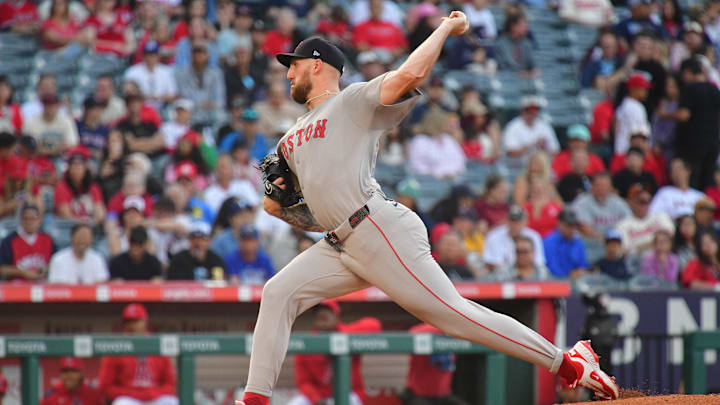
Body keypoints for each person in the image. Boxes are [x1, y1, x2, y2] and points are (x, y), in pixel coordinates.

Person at [236, 25, 619, 405]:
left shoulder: (351, 102)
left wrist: (446, 27)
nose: (288, 73)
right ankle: (254, 400)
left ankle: (567, 363)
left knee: (455, 316)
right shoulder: (287, 140)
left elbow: (411, 74)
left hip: (375, 227)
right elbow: (282, 208)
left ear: (317, 66)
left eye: (295, 65)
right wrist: (281, 201)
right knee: (277, 293)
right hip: (339, 242)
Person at [290, 300, 381, 405]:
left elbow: (375, 325)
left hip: (349, 393)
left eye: (326, 318)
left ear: (336, 318)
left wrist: (339, 338)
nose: (322, 323)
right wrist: (317, 400)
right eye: (319, 318)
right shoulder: (308, 343)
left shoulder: (347, 333)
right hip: (320, 396)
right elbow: (304, 382)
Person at [99, 303, 179, 405]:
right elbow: (105, 387)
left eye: (136, 321)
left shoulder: (157, 343)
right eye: (128, 322)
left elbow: (170, 383)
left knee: (172, 402)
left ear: (145, 321)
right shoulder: (117, 347)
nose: (132, 325)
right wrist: (135, 394)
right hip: (129, 399)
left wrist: (154, 393)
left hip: (155, 397)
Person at [672, 57, 720, 190]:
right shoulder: (714, 90)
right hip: (713, 143)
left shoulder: (691, 89)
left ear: (687, 73)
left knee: (692, 180)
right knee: (707, 182)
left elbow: (683, 115)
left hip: (693, 143)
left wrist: (664, 114)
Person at [402, 323, 470, 405]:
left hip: (443, 395)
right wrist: (442, 329)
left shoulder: (457, 331)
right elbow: (412, 334)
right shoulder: (424, 330)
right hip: (418, 394)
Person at [616, 184, 675, 257]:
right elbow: (625, 252)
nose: (645, 204)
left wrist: (639, 247)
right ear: (631, 202)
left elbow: (669, 236)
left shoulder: (660, 216)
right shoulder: (623, 225)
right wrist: (654, 241)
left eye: (648, 200)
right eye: (642, 201)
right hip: (637, 263)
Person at [175, 41, 226, 125]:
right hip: (191, 111)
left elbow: (220, 99)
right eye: (196, 53)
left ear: (208, 55)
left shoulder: (216, 73)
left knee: (221, 116)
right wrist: (201, 105)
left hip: (211, 111)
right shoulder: (183, 73)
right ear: (191, 55)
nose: (199, 56)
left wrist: (212, 105)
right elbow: (184, 95)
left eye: (202, 53)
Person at [482, 204, 546, 271]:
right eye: (512, 221)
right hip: (500, 277)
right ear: (507, 220)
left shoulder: (533, 236)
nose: (515, 225)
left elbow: (539, 262)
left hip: (528, 276)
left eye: (518, 221)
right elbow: (490, 262)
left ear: (526, 221)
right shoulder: (493, 236)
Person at [0, 204, 55, 281]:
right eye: (25, 219)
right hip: (17, 286)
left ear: (39, 221)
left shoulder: (48, 239)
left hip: (42, 284)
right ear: (20, 220)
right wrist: (23, 272)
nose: (29, 222)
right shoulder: (9, 240)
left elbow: (55, 263)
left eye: (32, 219)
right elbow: (2, 268)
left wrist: (44, 270)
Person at [407, 110, 466, 179]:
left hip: (452, 178)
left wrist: (452, 173)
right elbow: (416, 164)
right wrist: (433, 174)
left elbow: (460, 160)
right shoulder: (420, 141)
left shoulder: (449, 140)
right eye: (446, 122)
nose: (448, 124)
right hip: (428, 181)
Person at [502, 96, 559, 167]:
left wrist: (544, 149)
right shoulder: (513, 126)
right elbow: (510, 152)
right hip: (518, 167)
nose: (532, 113)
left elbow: (555, 151)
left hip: (542, 166)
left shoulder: (544, 126)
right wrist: (533, 144)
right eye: (528, 110)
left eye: (535, 109)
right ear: (522, 110)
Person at [54, 149, 106, 224]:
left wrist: (93, 223)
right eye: (73, 165)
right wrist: (85, 224)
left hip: (92, 226)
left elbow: (100, 213)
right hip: (69, 227)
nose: (76, 168)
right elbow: (66, 215)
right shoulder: (61, 187)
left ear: (85, 168)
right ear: (69, 169)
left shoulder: (93, 187)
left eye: (79, 165)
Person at [22, 93, 78, 157]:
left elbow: (72, 143)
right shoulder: (31, 122)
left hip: (61, 158)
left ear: (58, 106)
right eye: (47, 105)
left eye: (53, 105)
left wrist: (48, 151)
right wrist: (52, 151)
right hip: (37, 158)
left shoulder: (66, 121)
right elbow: (28, 146)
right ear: (43, 106)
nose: (50, 108)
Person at [543, 209, 589, 279]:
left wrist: (580, 271)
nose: (572, 229)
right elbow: (551, 268)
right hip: (556, 282)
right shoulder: (549, 242)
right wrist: (568, 276)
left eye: (574, 226)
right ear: (559, 224)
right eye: (568, 225)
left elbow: (582, 264)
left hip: (577, 281)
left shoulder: (578, 242)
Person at [614, 73, 651, 155]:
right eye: (643, 88)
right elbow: (638, 133)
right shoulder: (635, 107)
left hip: (620, 150)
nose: (646, 92)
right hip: (631, 152)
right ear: (633, 89)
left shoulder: (623, 105)